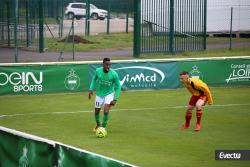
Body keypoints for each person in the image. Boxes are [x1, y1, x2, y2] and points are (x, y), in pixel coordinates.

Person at [88, 58, 121, 132]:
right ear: (103, 64)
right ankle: (98, 124)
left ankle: (103, 128)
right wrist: (91, 89)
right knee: (96, 111)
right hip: (99, 94)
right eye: (106, 64)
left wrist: (115, 99)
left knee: (106, 111)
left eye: (109, 65)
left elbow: (118, 87)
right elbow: (94, 79)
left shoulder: (114, 74)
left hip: (109, 94)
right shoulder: (98, 71)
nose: (108, 66)